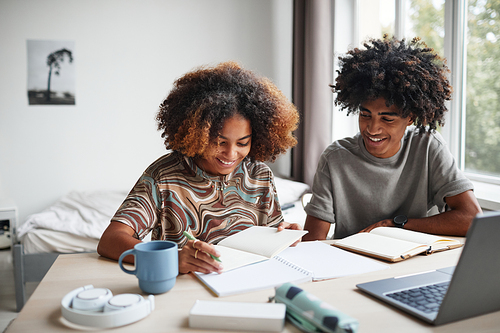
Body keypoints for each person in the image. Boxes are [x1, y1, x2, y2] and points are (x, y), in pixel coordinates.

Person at [98, 61, 300, 274]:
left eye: (242, 143)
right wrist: (172, 259)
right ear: (198, 135)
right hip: (183, 289)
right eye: (220, 142)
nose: (231, 154)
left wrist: (283, 234)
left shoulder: (259, 175)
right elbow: (110, 241)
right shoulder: (164, 176)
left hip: (246, 285)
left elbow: (268, 241)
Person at [303, 35, 482, 241]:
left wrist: (395, 225)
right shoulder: (335, 158)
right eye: (365, 114)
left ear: (410, 118)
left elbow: (471, 218)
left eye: (387, 119)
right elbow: (312, 242)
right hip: (355, 264)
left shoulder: (427, 146)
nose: (372, 128)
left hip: (415, 260)